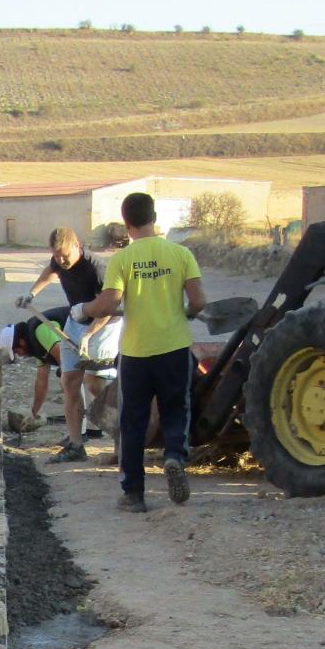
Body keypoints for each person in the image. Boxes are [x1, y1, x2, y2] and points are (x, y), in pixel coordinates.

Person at [73, 193, 207, 513]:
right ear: (154, 216)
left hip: (136, 353)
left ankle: (133, 493)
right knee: (176, 409)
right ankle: (174, 455)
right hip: (173, 348)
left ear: (126, 223)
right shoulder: (180, 253)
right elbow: (199, 301)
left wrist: (83, 310)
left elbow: (108, 304)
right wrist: (185, 313)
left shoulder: (123, 259)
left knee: (133, 420)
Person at [14, 227, 119, 463]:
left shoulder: (96, 269)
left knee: (96, 383)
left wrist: (89, 335)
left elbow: (108, 307)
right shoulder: (58, 261)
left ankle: (120, 442)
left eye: (65, 255)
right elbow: (49, 271)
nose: (61, 261)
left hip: (105, 323)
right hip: (76, 318)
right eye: (57, 255)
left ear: (77, 246)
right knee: (70, 380)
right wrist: (31, 293)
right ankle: (75, 444)